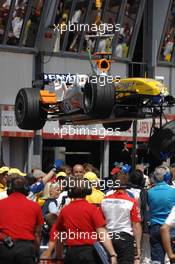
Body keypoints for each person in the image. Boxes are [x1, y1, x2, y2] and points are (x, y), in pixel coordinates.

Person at [54, 177, 117, 264]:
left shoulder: (65, 210)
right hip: (89, 252)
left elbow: (60, 235)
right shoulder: (92, 209)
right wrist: (112, 254)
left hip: (72, 253)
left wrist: (59, 256)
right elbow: (102, 232)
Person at [101, 170, 142, 264]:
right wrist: (138, 248)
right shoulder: (131, 201)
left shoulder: (104, 200)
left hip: (108, 237)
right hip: (125, 239)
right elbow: (136, 225)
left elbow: (101, 223)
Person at [0, 176, 44, 264]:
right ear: (26, 189)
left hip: (5, 247)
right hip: (26, 249)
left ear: (9, 189)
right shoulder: (35, 206)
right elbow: (37, 233)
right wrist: (37, 252)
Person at [148, 166, 175, 264]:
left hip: (155, 228)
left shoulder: (149, 192)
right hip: (170, 229)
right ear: (168, 177)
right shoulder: (173, 191)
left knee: (156, 260)